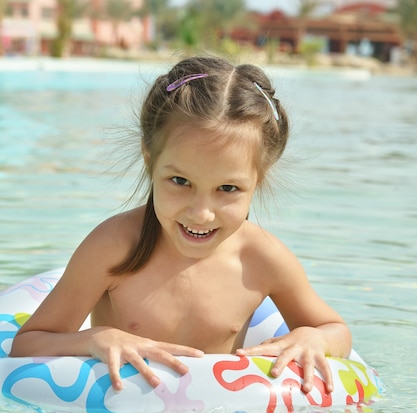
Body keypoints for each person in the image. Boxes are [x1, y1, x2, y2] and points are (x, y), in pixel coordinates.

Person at [11, 54, 351, 395]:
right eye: (179, 180)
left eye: (228, 188)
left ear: (259, 179)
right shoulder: (113, 247)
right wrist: (98, 338)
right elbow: (26, 346)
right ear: (149, 158)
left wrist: (313, 337)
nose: (201, 213)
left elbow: (335, 329)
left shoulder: (263, 258)